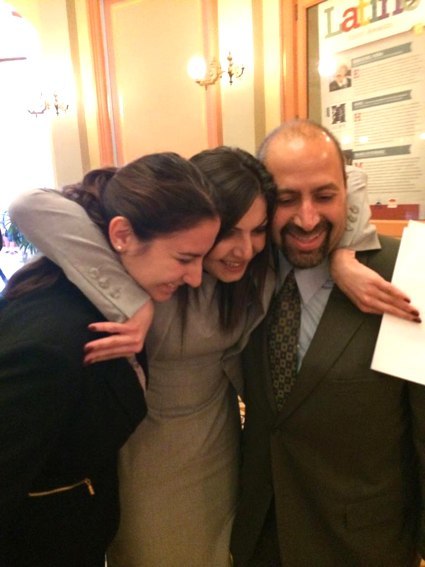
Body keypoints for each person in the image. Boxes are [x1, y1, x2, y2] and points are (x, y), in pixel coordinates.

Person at [9, 146, 417, 567]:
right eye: (229, 231)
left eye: (258, 230)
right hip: (147, 456)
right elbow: (29, 204)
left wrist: (344, 255)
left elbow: (347, 181)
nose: (245, 249)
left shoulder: (258, 270)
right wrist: (132, 302)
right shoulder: (153, 267)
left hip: (222, 448)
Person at [0, 152, 220, 567]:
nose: (195, 278)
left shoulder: (107, 305)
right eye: (184, 258)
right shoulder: (55, 342)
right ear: (121, 235)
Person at [229, 120, 425, 566]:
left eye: (324, 196)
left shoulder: (407, 272)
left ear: (347, 193)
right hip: (260, 535)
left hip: (362, 545)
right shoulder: (243, 267)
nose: (307, 219)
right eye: (286, 200)